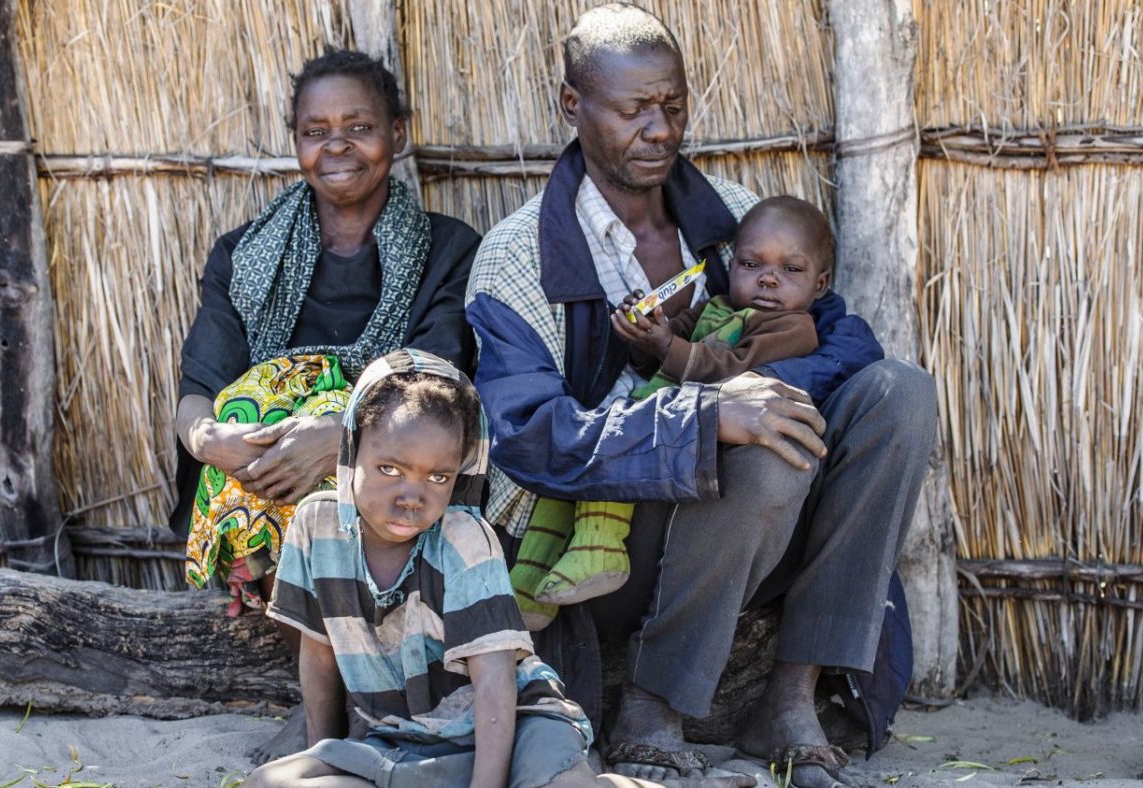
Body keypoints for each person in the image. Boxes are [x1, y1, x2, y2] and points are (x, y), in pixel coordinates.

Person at [465, 4, 937, 787]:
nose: (659, 129)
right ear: (572, 106)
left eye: (673, 106)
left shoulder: (729, 213)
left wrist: (755, 386)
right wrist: (705, 413)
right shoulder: (517, 258)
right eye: (632, 109)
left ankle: (793, 694)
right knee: (757, 443)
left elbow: (837, 338)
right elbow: (531, 438)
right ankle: (654, 704)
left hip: (760, 535)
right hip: (603, 547)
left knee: (901, 393)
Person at [170, 49, 480, 763]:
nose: (336, 147)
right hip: (267, 473)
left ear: (397, 132)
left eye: (359, 126)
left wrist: (339, 436)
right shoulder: (244, 255)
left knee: (386, 452)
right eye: (316, 131)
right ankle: (329, 702)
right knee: (250, 415)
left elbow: (436, 375)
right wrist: (210, 439)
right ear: (295, 140)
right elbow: (198, 391)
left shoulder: (446, 250)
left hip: (398, 457)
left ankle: (351, 705)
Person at [247, 350, 748, 788]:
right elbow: (319, 656)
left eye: (438, 476)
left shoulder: (464, 541)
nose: (411, 497)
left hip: (513, 722)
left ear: (460, 473)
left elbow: (494, 684)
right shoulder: (317, 525)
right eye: (390, 469)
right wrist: (326, 753)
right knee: (268, 783)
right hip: (403, 737)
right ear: (353, 448)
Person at [511, 197, 830, 624]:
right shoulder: (717, 307)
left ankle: (600, 549)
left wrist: (667, 348)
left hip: (689, 449)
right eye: (752, 265)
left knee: (615, 467)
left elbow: (730, 370)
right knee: (565, 481)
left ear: (820, 284)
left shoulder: (793, 329)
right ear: (732, 265)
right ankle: (528, 586)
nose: (768, 280)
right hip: (656, 414)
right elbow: (664, 352)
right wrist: (646, 331)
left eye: (790, 270)